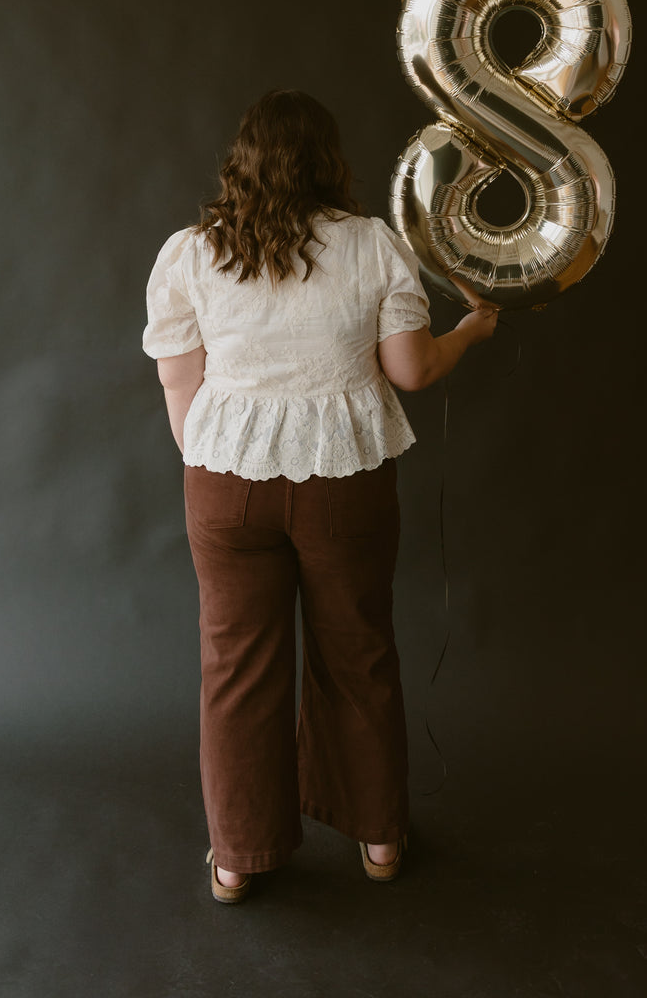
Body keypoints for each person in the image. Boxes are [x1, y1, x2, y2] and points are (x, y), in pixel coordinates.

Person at [142, 90, 498, 904]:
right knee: (358, 654)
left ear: (243, 161)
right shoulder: (373, 246)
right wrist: (474, 328)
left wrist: (211, 459)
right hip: (346, 482)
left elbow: (177, 381)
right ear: (327, 161)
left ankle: (236, 858)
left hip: (224, 486)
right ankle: (378, 838)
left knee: (235, 666)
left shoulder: (193, 253)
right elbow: (412, 372)